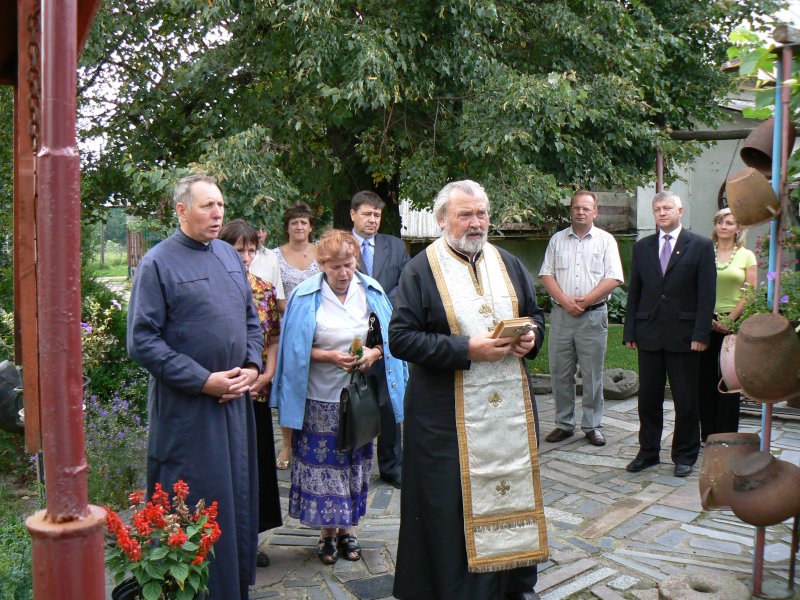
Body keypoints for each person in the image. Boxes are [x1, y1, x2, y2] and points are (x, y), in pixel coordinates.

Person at [389, 180, 547, 600]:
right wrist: (466, 349)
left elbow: (533, 315)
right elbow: (401, 338)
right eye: (465, 215)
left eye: (481, 214)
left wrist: (532, 337)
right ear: (443, 220)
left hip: (509, 415)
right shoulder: (420, 269)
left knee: (511, 492)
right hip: (446, 418)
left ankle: (512, 584)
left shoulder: (509, 262)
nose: (476, 223)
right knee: (449, 507)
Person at [127, 174, 263, 600]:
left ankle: (233, 589)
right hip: (188, 411)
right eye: (207, 206)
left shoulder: (227, 254)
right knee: (193, 503)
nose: (218, 213)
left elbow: (251, 321)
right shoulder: (158, 263)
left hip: (234, 404)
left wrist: (252, 366)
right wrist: (203, 380)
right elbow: (142, 341)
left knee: (234, 498)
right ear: (181, 210)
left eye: (220, 205)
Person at [271, 229, 406, 565]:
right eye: (335, 267)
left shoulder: (371, 292)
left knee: (353, 464)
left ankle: (347, 529)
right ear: (322, 265)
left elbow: (387, 339)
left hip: (358, 398)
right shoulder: (306, 297)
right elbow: (293, 349)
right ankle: (326, 534)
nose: (344, 272)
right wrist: (329, 356)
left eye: (348, 264)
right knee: (324, 466)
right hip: (318, 398)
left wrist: (374, 354)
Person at [623, 191, 715, 478]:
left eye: (667, 208)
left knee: (686, 400)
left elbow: (706, 294)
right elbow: (635, 292)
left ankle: (684, 455)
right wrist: (630, 329)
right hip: (649, 333)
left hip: (685, 336)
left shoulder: (699, 246)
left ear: (680, 210)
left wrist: (701, 332)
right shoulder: (642, 248)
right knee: (648, 398)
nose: (662, 213)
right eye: (657, 209)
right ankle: (648, 452)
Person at [218, 219, 283, 569]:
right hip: (223, 391)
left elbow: (272, 337)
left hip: (256, 391)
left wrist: (268, 372)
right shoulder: (215, 285)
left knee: (256, 465)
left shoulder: (264, 289)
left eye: (250, 249)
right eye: (237, 248)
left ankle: (252, 539)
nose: (244, 255)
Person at [539, 190, 623, 447]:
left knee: (592, 374)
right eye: (577, 207)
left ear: (595, 212)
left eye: (586, 208)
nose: (581, 211)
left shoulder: (606, 241)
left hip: (593, 317)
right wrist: (566, 302)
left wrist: (585, 302)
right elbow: (547, 275)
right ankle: (564, 424)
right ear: (571, 210)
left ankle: (592, 425)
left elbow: (614, 277)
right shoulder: (557, 240)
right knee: (560, 372)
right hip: (562, 316)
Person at [350, 190, 410, 488]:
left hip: (388, 334)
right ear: (353, 215)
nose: (373, 219)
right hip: (351, 333)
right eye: (367, 214)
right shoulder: (342, 245)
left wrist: (381, 304)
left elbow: (405, 282)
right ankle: (352, 463)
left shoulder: (394, 246)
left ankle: (391, 465)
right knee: (353, 400)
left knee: (389, 402)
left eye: (377, 214)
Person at [698, 207, 756, 442]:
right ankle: (707, 434)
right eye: (720, 222)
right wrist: (708, 319)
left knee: (729, 380)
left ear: (738, 229)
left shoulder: (746, 256)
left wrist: (728, 320)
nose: (723, 226)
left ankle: (726, 434)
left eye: (729, 223)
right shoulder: (704, 252)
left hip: (732, 324)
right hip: (705, 321)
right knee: (704, 379)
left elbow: (750, 293)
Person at [273, 202, 322, 470]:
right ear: (288, 227)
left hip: (321, 328)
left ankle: (315, 438)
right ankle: (287, 443)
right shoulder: (274, 256)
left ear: (310, 226)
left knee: (318, 386)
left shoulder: (321, 253)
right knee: (289, 388)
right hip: (289, 329)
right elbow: (274, 295)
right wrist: (296, 312)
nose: (299, 226)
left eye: (304, 222)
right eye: (294, 222)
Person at [250, 223, 286, 313]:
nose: (260, 234)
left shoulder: (271, 257)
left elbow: (278, 298)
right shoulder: (231, 253)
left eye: (263, 230)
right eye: (256, 229)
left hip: (264, 322)